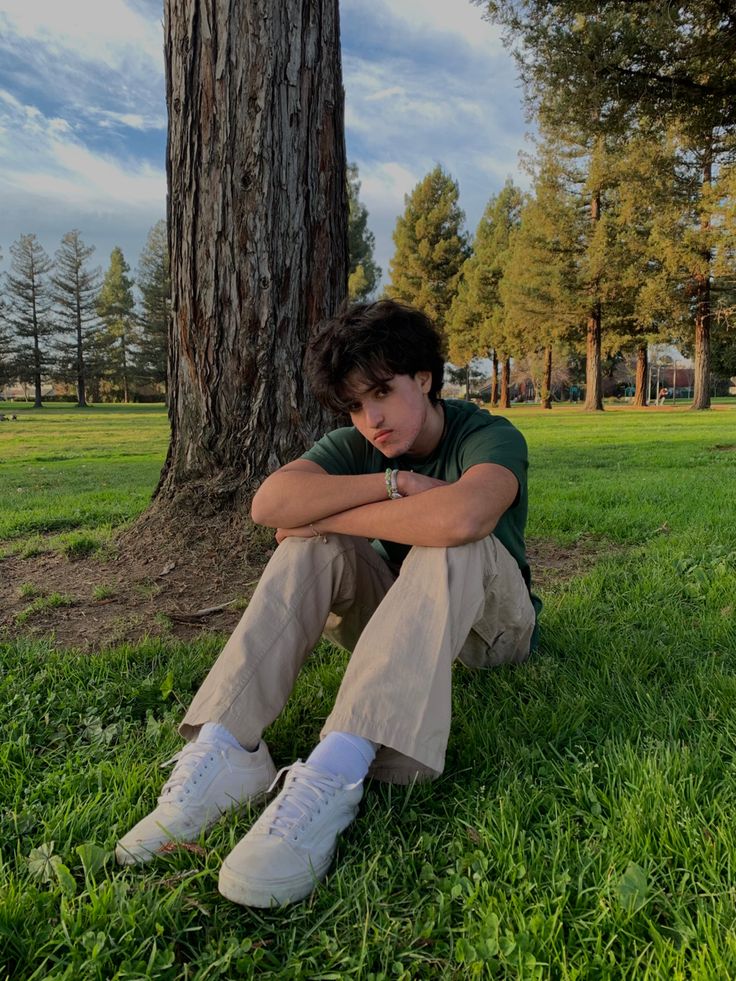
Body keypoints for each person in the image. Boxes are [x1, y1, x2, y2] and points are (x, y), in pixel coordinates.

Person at [115, 299, 540, 907]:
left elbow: (466, 512)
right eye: (354, 406)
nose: (371, 420)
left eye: (382, 393)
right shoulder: (359, 446)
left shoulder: (489, 434)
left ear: (423, 378)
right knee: (311, 545)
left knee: (452, 540)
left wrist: (338, 512)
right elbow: (270, 506)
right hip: (403, 618)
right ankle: (226, 745)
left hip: (491, 631)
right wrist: (394, 486)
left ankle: (337, 767)